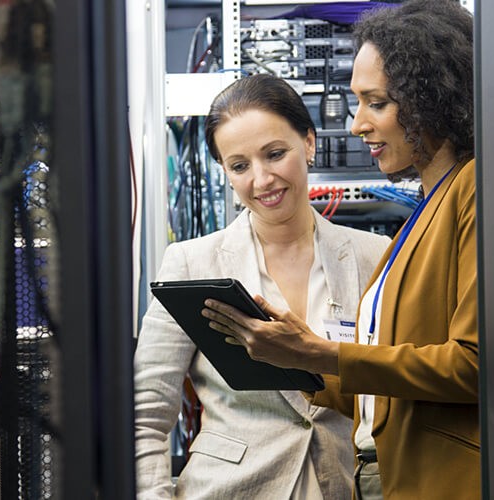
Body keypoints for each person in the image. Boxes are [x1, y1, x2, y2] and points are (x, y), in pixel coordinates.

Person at [202, 1, 478, 499]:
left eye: (376, 102)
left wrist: (320, 351)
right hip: (383, 476)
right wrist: (298, 360)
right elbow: (386, 398)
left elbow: (475, 366)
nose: (356, 125)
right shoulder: (424, 211)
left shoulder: (472, 190)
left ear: (430, 98)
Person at [133, 73, 390, 499]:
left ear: (308, 143)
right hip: (230, 488)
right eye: (240, 166)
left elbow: (393, 387)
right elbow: (146, 413)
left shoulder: (375, 256)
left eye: (275, 154)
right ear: (226, 173)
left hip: (344, 486)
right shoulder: (192, 263)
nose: (262, 179)